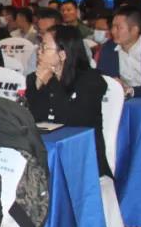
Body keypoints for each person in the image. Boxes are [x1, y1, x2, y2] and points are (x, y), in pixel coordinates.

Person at [26, 25, 111, 175]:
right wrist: (39, 88)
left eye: (45, 48)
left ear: (62, 54)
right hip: (46, 152)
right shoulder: (36, 77)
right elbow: (34, 118)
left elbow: (73, 121)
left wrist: (50, 83)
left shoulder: (91, 81)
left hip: (82, 157)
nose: (39, 52)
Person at [97, 6, 141, 98]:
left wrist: (131, 91)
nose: (113, 31)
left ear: (135, 30)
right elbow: (102, 80)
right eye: (112, 26)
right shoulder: (108, 49)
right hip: (120, 101)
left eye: (119, 28)